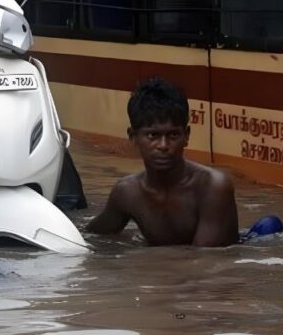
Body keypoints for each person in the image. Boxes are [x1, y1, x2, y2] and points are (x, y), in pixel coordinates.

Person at [86, 78, 240, 247]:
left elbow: (205, 263)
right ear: (133, 137)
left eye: (173, 135)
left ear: (186, 136)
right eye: (153, 136)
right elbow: (91, 239)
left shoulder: (212, 187)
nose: (163, 146)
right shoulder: (127, 193)